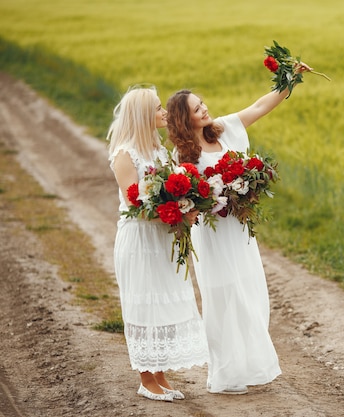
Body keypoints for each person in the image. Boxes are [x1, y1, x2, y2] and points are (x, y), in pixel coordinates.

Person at [165, 63, 310, 395]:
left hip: (237, 229)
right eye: (197, 108)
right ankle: (226, 374)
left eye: (202, 103)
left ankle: (251, 366)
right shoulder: (182, 155)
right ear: (185, 120)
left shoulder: (225, 128)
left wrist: (290, 80)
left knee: (249, 292)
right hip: (212, 234)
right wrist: (214, 197)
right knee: (222, 297)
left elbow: (260, 107)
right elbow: (187, 197)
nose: (205, 108)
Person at [106, 86, 210, 402]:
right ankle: (146, 379)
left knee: (163, 302)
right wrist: (175, 212)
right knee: (143, 303)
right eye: (156, 108)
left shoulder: (160, 151)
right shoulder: (125, 154)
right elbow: (136, 201)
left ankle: (161, 375)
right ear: (142, 115)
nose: (163, 112)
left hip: (161, 237)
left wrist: (186, 207)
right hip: (139, 238)